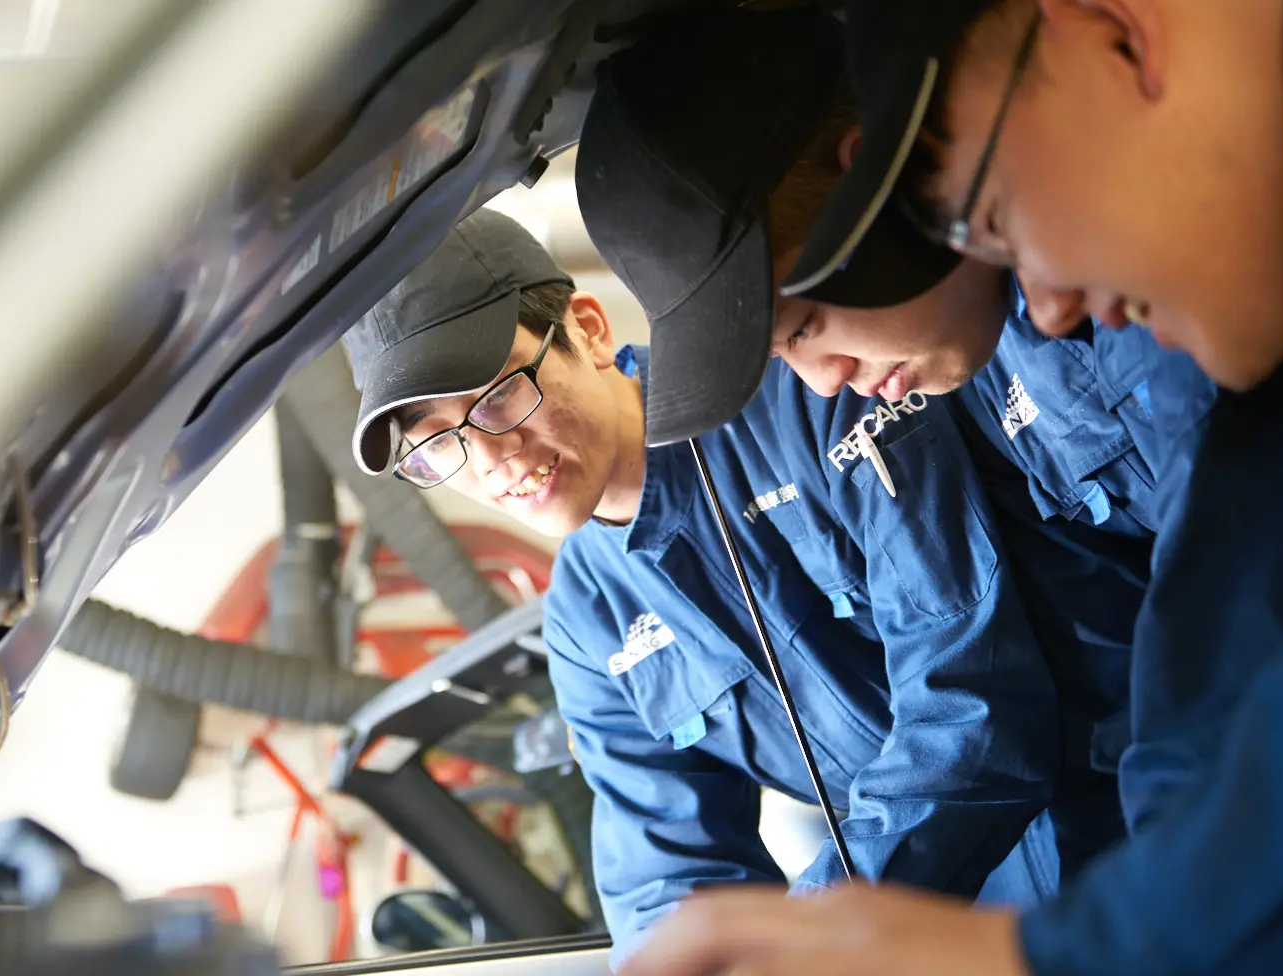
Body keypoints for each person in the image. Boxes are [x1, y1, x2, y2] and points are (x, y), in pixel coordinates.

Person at [342, 7, 1110, 966]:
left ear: (582, 326)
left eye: (497, 400)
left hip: (1115, 849)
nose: (487, 461)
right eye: (436, 450)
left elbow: (973, 697)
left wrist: (813, 931)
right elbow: (665, 874)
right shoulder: (589, 619)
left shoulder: (813, 375)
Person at [617, 1, 1283, 973]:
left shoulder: (1167, 292)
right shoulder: (977, 389)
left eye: (979, 211)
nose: (1053, 301)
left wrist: (1057, 947)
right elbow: (1185, 695)